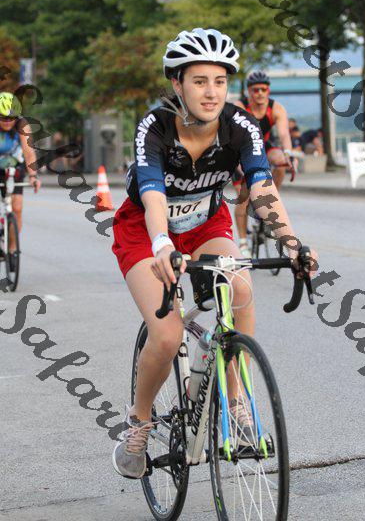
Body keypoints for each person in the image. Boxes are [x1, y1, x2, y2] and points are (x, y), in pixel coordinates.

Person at [111, 28, 312, 480]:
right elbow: (152, 194)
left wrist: (291, 243)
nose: (211, 92)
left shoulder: (240, 126)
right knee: (167, 336)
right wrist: (161, 243)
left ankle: (236, 398)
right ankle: (138, 422)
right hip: (146, 228)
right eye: (199, 81)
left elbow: (262, 188)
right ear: (177, 83)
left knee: (241, 289)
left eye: (219, 81)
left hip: (206, 222)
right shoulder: (155, 127)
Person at [232, 70, 294, 257]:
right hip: (240, 149)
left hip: (262, 145)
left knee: (281, 162)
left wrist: (288, 154)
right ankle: (243, 242)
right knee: (243, 198)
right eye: (255, 90)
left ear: (268, 91)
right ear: (249, 91)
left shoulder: (276, 108)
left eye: (263, 89)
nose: (259, 93)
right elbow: (232, 138)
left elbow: (284, 134)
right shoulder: (239, 107)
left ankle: (269, 200)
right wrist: (239, 167)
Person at [0, 92, 41, 267]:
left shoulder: (22, 125)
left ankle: (12, 249)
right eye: (3, 118)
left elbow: (29, 152)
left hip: (15, 167)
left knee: (17, 207)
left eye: (12, 118)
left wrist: (33, 176)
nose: (8, 121)